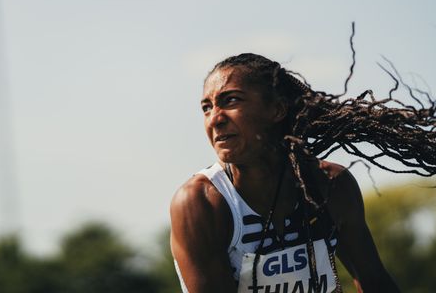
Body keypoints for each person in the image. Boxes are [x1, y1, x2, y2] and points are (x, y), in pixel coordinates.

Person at [170, 52, 436, 293]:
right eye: (206, 107)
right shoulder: (203, 203)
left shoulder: (329, 186)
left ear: (277, 109)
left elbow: (375, 282)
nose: (215, 118)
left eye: (230, 101)